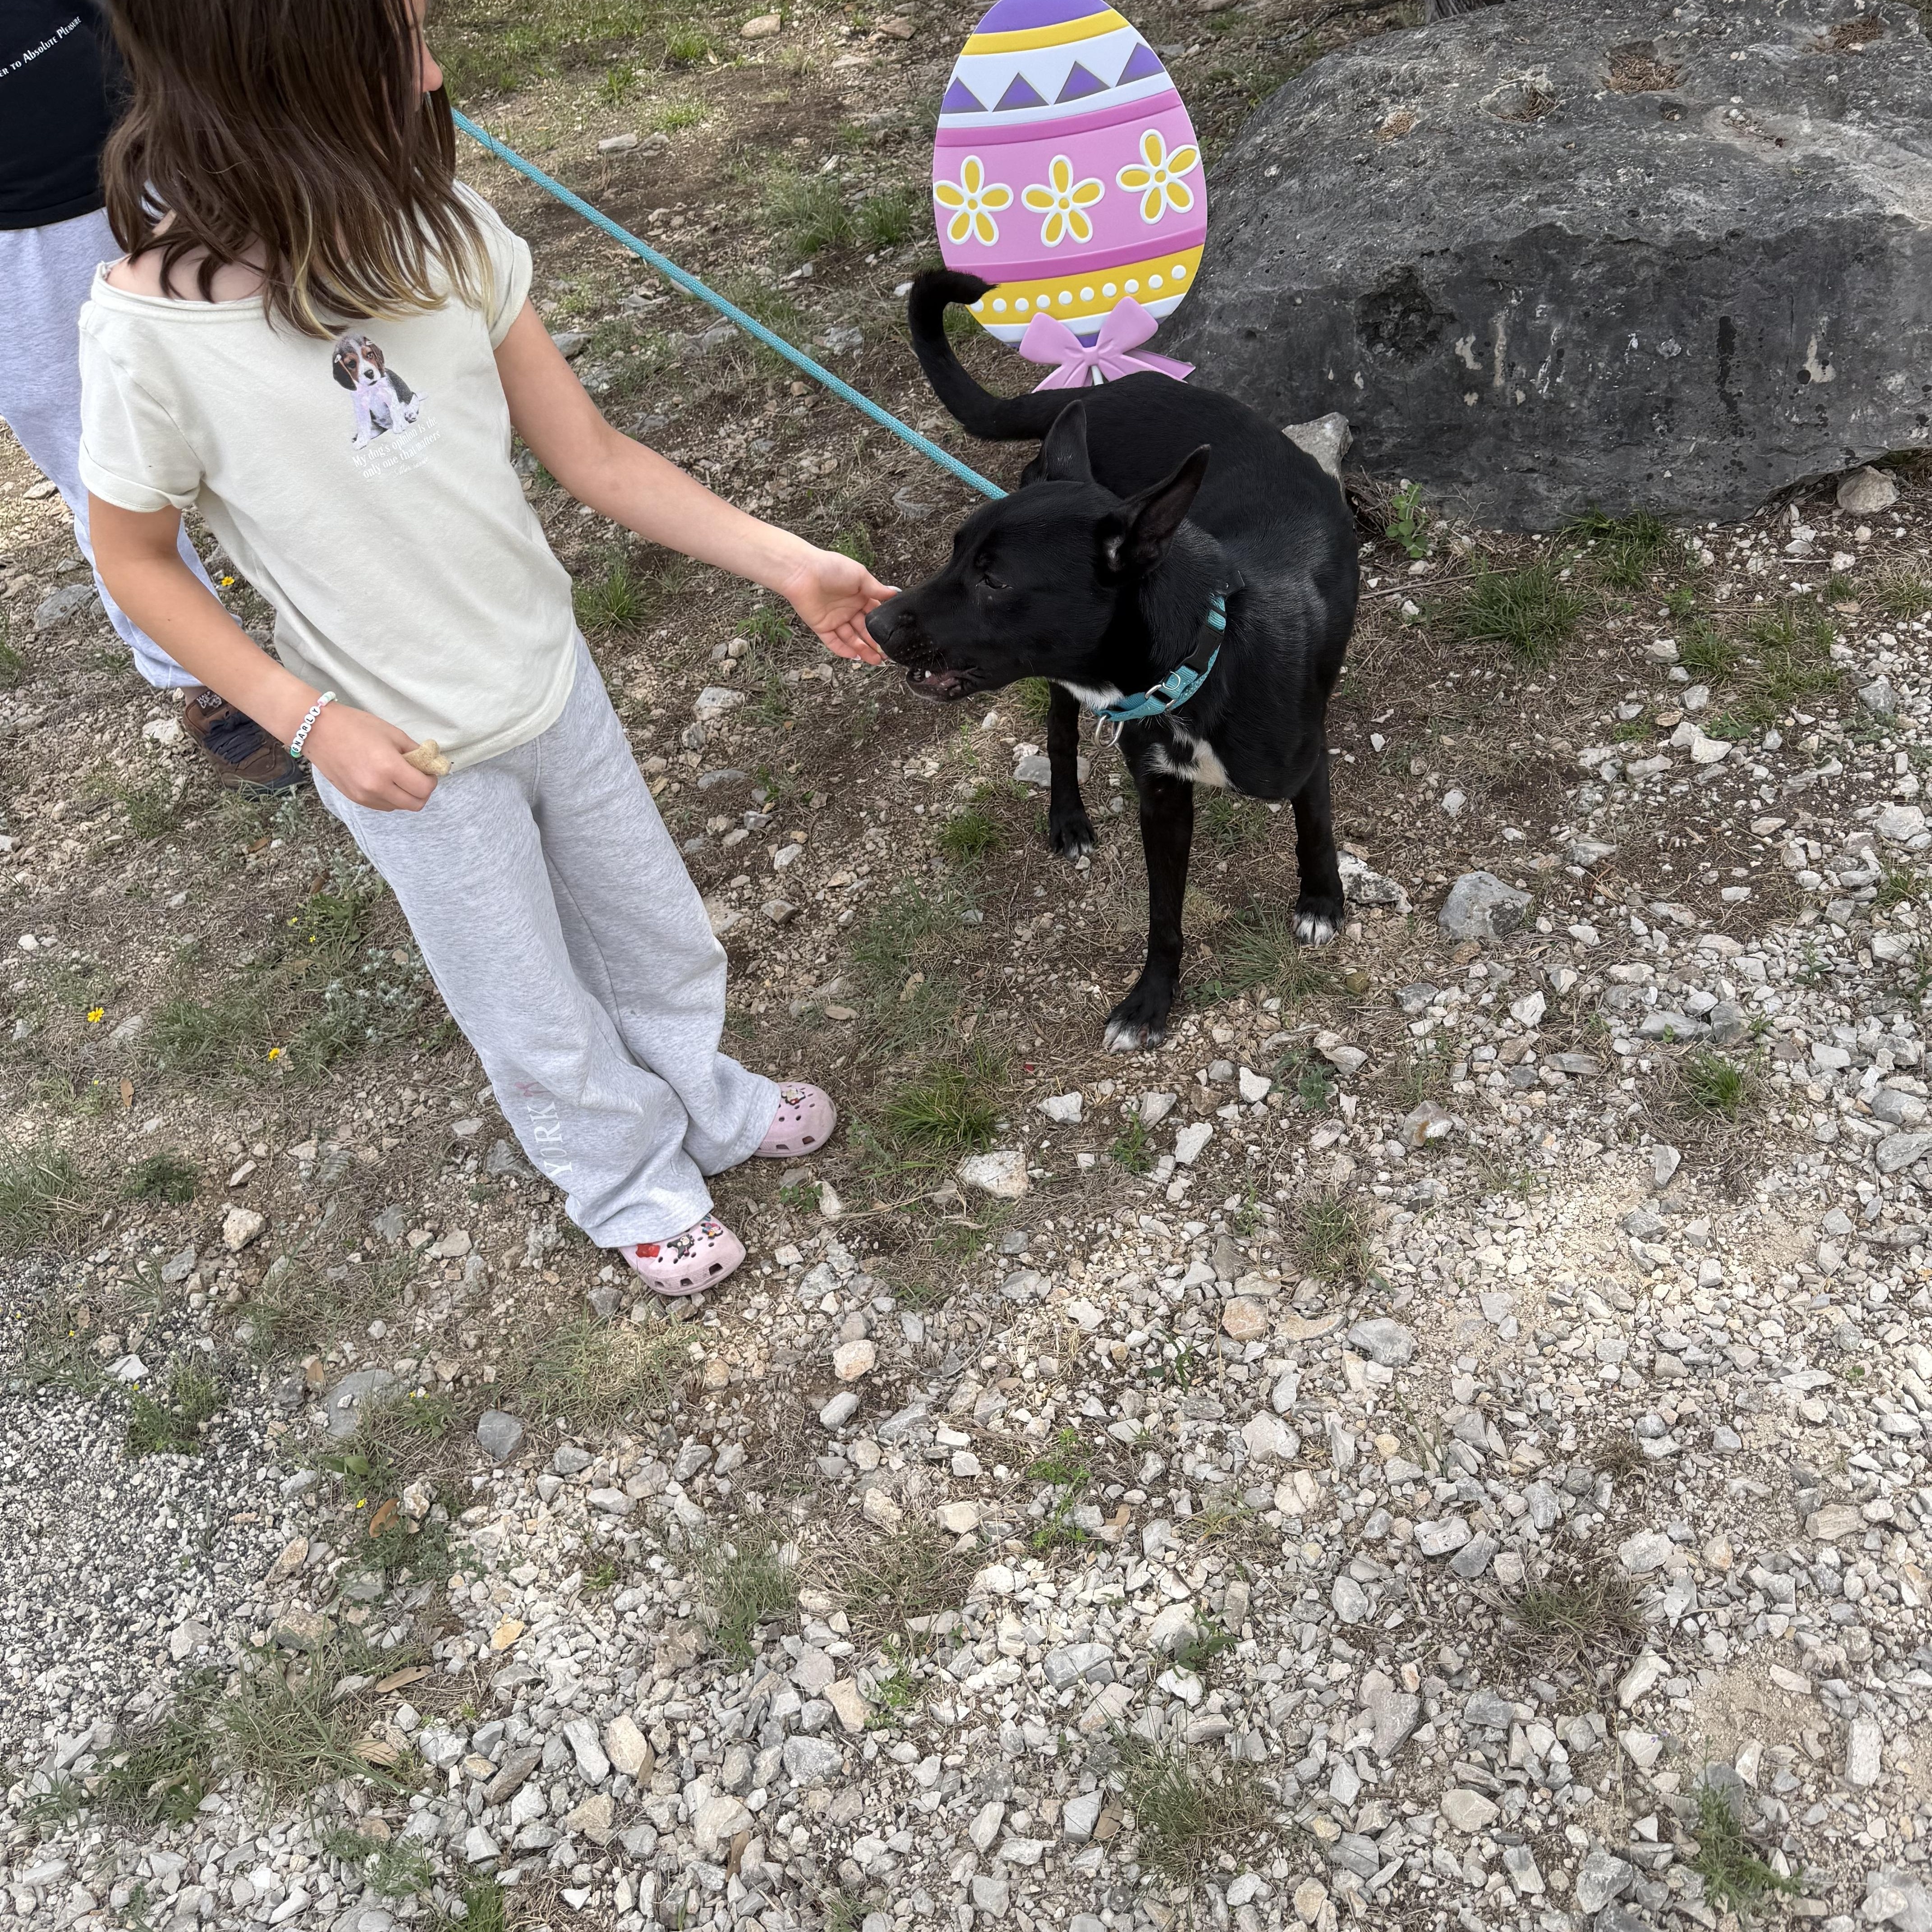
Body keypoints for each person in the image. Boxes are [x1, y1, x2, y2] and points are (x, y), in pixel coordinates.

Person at [80, 0, 892, 1296]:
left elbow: (594, 455)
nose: (438, 72)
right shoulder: (147, 340)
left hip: (553, 682)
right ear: (272, 85)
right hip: (406, 753)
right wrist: (306, 722)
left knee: (653, 925)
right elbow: (133, 558)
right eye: (399, 45)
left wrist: (788, 561)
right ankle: (624, 1179)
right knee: (527, 996)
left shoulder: (447, 235)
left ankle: (707, 1096)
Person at [0, 0, 299, 787]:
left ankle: (365, 601)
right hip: (14, 244)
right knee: (98, 468)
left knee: (276, 376)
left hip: (160, 137)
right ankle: (210, 681)